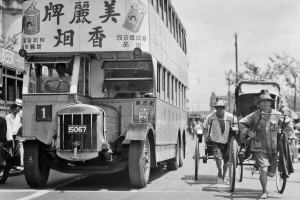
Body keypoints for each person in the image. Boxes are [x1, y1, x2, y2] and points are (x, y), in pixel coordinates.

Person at [239, 89, 294, 199]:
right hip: (259, 147)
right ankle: (264, 191)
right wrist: (249, 132)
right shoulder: (254, 115)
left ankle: (268, 175)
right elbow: (242, 123)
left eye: (268, 101)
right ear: (259, 103)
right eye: (263, 101)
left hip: (273, 149)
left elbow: (289, 123)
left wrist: (288, 136)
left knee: (271, 174)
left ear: (271, 102)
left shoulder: (277, 115)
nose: (266, 103)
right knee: (264, 170)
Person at [203, 97, 236, 184]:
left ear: (223, 108)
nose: (219, 109)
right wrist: (206, 137)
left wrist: (234, 135)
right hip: (215, 141)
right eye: (217, 108)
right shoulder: (211, 116)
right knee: (218, 158)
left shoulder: (230, 116)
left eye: (220, 107)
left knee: (227, 161)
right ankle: (220, 170)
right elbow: (205, 127)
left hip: (226, 141)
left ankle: (224, 176)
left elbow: (236, 126)